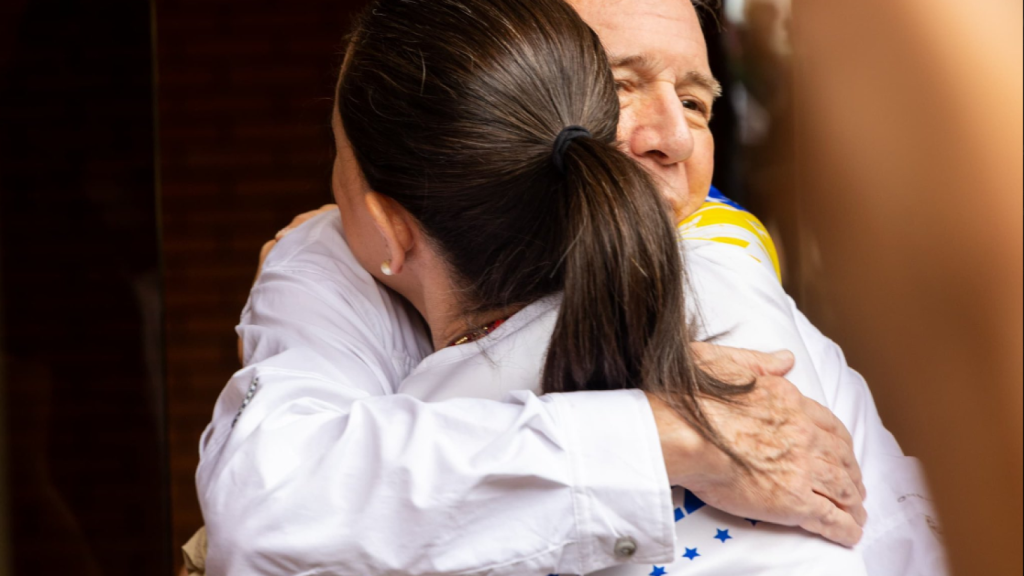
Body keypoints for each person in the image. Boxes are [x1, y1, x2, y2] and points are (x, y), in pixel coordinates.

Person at [194, 0, 948, 574]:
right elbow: (273, 498)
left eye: (695, 101)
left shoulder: (725, 263)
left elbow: (895, 514)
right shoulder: (343, 253)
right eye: (619, 83)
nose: (675, 137)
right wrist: (667, 435)